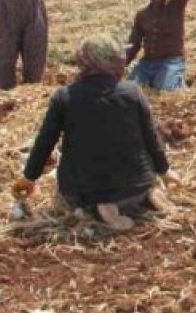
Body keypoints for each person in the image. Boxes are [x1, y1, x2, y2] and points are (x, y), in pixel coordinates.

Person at [14, 34, 176, 232]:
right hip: (136, 186)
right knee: (140, 182)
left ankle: (100, 211)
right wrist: (165, 171)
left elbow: (44, 143)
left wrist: (29, 178)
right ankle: (146, 198)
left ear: (83, 61)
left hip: (84, 192)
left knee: (69, 198)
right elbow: (151, 138)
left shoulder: (65, 97)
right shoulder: (133, 92)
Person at [125, 0, 192, 91]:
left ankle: (178, 83)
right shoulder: (142, 15)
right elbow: (133, 44)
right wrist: (118, 64)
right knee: (131, 89)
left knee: (164, 89)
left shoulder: (175, 6)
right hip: (147, 64)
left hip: (171, 62)